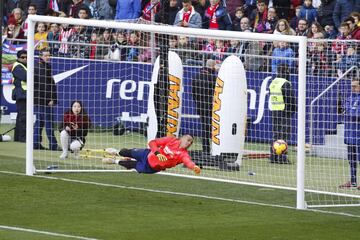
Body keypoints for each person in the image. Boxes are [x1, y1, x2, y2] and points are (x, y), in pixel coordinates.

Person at [103, 135, 201, 174]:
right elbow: (152, 143)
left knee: (131, 165)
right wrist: (157, 153)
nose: (189, 143)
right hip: (146, 154)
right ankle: (116, 152)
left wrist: (194, 167)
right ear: (182, 138)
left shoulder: (183, 154)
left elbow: (188, 162)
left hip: (151, 167)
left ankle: (114, 161)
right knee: (126, 152)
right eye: (188, 140)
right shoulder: (171, 140)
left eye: (191, 143)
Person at [268, 64, 296, 164]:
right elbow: (290, 98)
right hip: (285, 111)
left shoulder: (273, 82)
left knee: (275, 134)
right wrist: (294, 109)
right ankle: (282, 157)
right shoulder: (285, 83)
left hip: (275, 110)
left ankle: (273, 155)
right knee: (284, 135)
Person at [33, 49, 59, 150]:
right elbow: (45, 86)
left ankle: (35, 144)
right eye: (46, 55)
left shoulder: (42, 66)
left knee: (39, 122)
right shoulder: (41, 68)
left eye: (49, 55)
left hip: (38, 100)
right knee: (48, 123)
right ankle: (53, 145)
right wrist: (51, 99)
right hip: (44, 101)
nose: (48, 57)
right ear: (41, 56)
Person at [191, 59, 217, 153]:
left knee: (204, 128)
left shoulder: (196, 77)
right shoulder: (213, 78)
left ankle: (205, 148)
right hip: (211, 107)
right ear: (213, 67)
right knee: (212, 128)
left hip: (200, 106)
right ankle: (213, 149)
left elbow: (193, 93)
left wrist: (198, 103)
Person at [339, 80, 360, 189]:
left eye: (355, 86)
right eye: (351, 86)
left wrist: (350, 111)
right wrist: (350, 110)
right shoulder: (350, 97)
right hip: (349, 133)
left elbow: (356, 114)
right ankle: (353, 181)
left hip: (358, 133)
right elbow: (344, 109)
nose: (352, 88)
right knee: (351, 159)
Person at [11, 50, 28, 142]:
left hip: (23, 94)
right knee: (23, 117)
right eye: (22, 57)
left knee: (21, 116)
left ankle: (18, 137)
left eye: (26, 57)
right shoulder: (17, 66)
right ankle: (22, 138)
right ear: (18, 58)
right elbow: (26, 77)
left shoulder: (23, 66)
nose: (25, 59)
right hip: (21, 94)